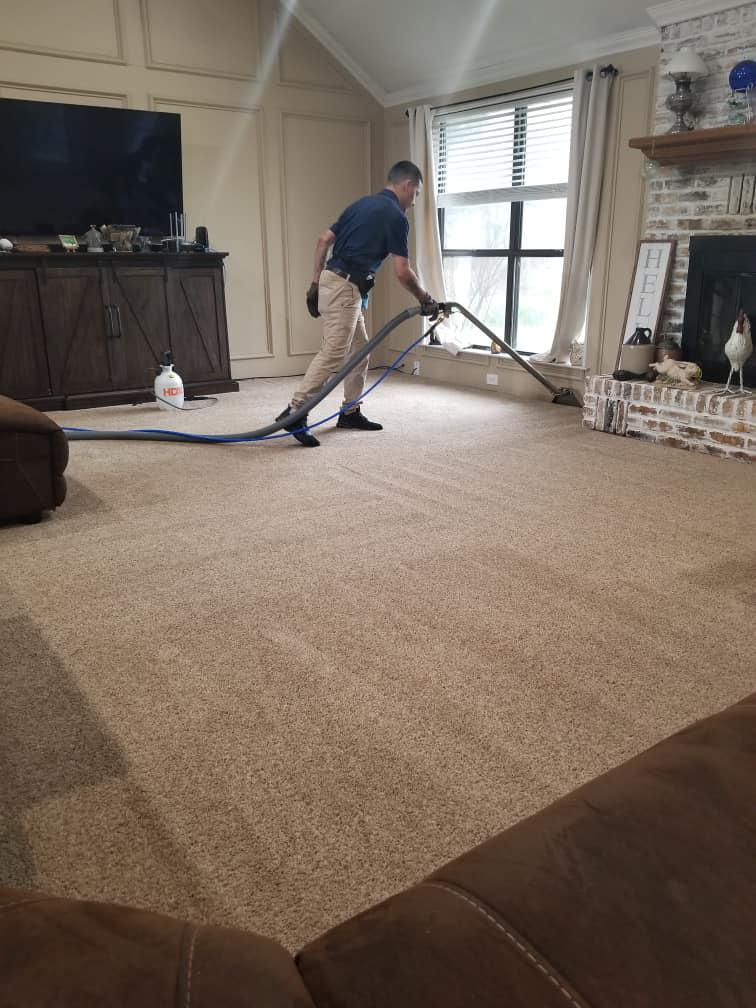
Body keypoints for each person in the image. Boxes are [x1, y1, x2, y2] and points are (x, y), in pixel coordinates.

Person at [276, 160, 440, 447]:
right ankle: (295, 412)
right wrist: (426, 299)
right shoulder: (396, 216)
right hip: (345, 288)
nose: (413, 203)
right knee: (334, 352)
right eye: (415, 195)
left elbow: (323, 240)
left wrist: (315, 283)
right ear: (408, 186)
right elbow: (402, 272)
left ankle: (350, 411)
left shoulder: (360, 205)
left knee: (360, 350)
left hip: (336, 281)